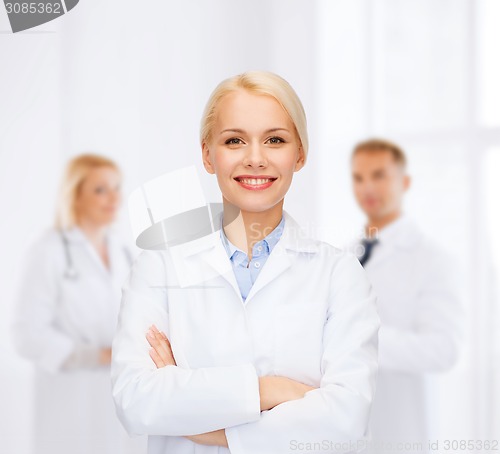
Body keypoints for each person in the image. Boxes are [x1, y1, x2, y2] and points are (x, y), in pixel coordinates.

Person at [111, 71, 380, 454]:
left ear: (300, 154)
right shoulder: (159, 267)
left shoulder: (339, 274)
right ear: (208, 154)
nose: (255, 159)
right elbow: (136, 401)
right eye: (234, 140)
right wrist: (270, 390)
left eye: (275, 140)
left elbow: (346, 418)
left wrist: (203, 424)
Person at [11, 154, 147, 454]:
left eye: (116, 187)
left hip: (117, 395)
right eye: (100, 190)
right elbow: (26, 335)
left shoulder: (123, 250)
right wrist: (93, 355)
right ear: (75, 196)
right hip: (69, 397)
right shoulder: (47, 249)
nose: (114, 198)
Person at [348, 139, 465, 453]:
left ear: (405, 182)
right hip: (346, 428)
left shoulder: (432, 258)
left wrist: (363, 341)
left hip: (401, 430)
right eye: (358, 178)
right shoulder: (346, 255)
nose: (367, 187)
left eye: (379, 175)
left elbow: (444, 349)